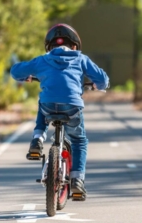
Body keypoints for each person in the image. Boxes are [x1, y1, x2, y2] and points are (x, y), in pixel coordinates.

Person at [10, 23, 110, 198]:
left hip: (48, 106)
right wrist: (98, 85)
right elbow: (102, 79)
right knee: (79, 141)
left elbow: (15, 71)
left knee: (44, 101)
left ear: (50, 47)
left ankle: (37, 139)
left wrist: (26, 76)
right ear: (74, 46)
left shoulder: (43, 59)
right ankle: (77, 181)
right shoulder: (81, 58)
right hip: (72, 107)